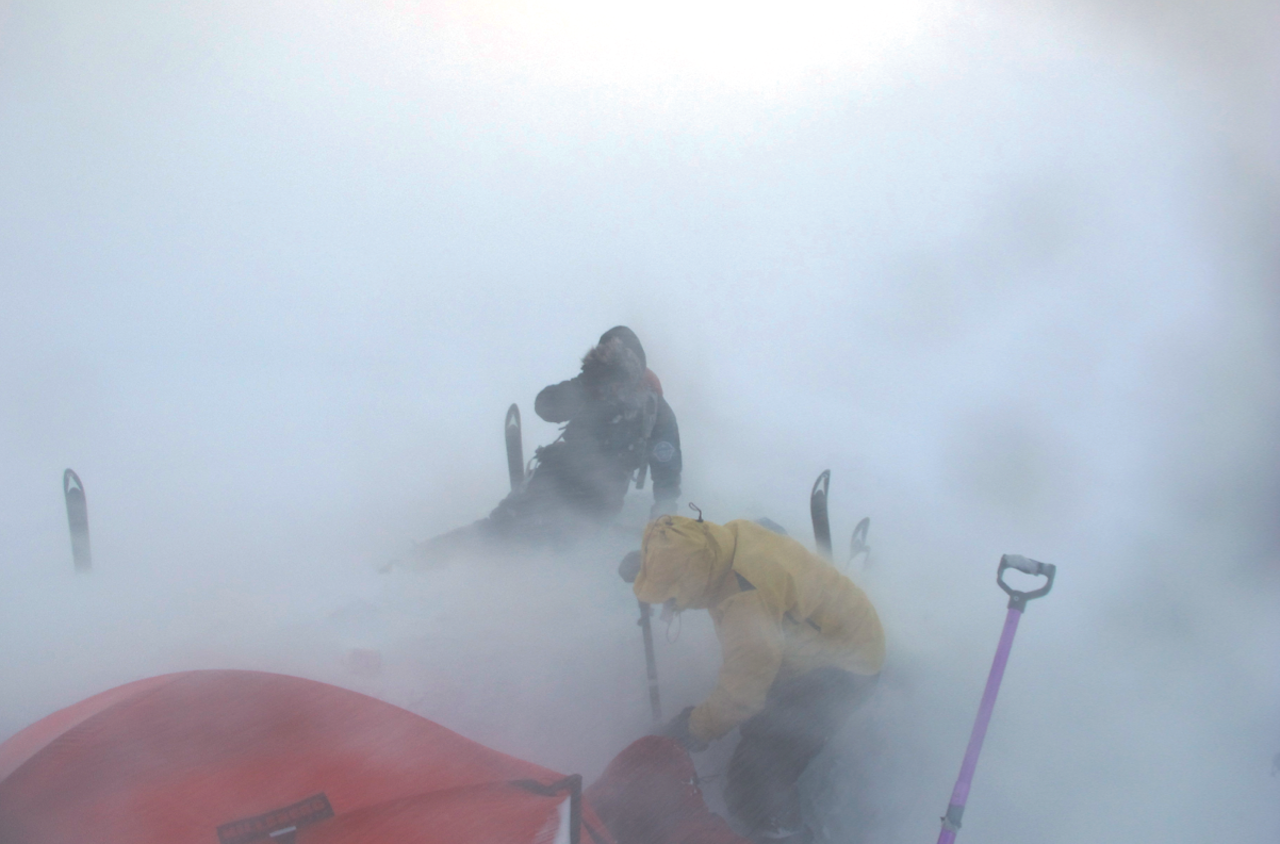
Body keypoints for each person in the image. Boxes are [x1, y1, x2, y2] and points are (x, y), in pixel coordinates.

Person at [631, 514, 884, 843]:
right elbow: (682, 549)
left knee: (752, 785)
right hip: (830, 634)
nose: (669, 604)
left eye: (670, 595)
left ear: (691, 578)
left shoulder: (745, 600)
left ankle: (783, 829)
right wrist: (649, 568)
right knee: (760, 721)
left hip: (846, 666)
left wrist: (692, 729)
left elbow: (743, 692)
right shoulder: (725, 541)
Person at [415, 326, 681, 562]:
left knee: (551, 550)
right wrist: (584, 386)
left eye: (617, 380)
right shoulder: (592, 384)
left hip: (599, 501)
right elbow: (545, 406)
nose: (611, 390)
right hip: (553, 476)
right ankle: (417, 563)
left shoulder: (655, 412)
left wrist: (660, 533)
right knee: (499, 530)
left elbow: (667, 480)